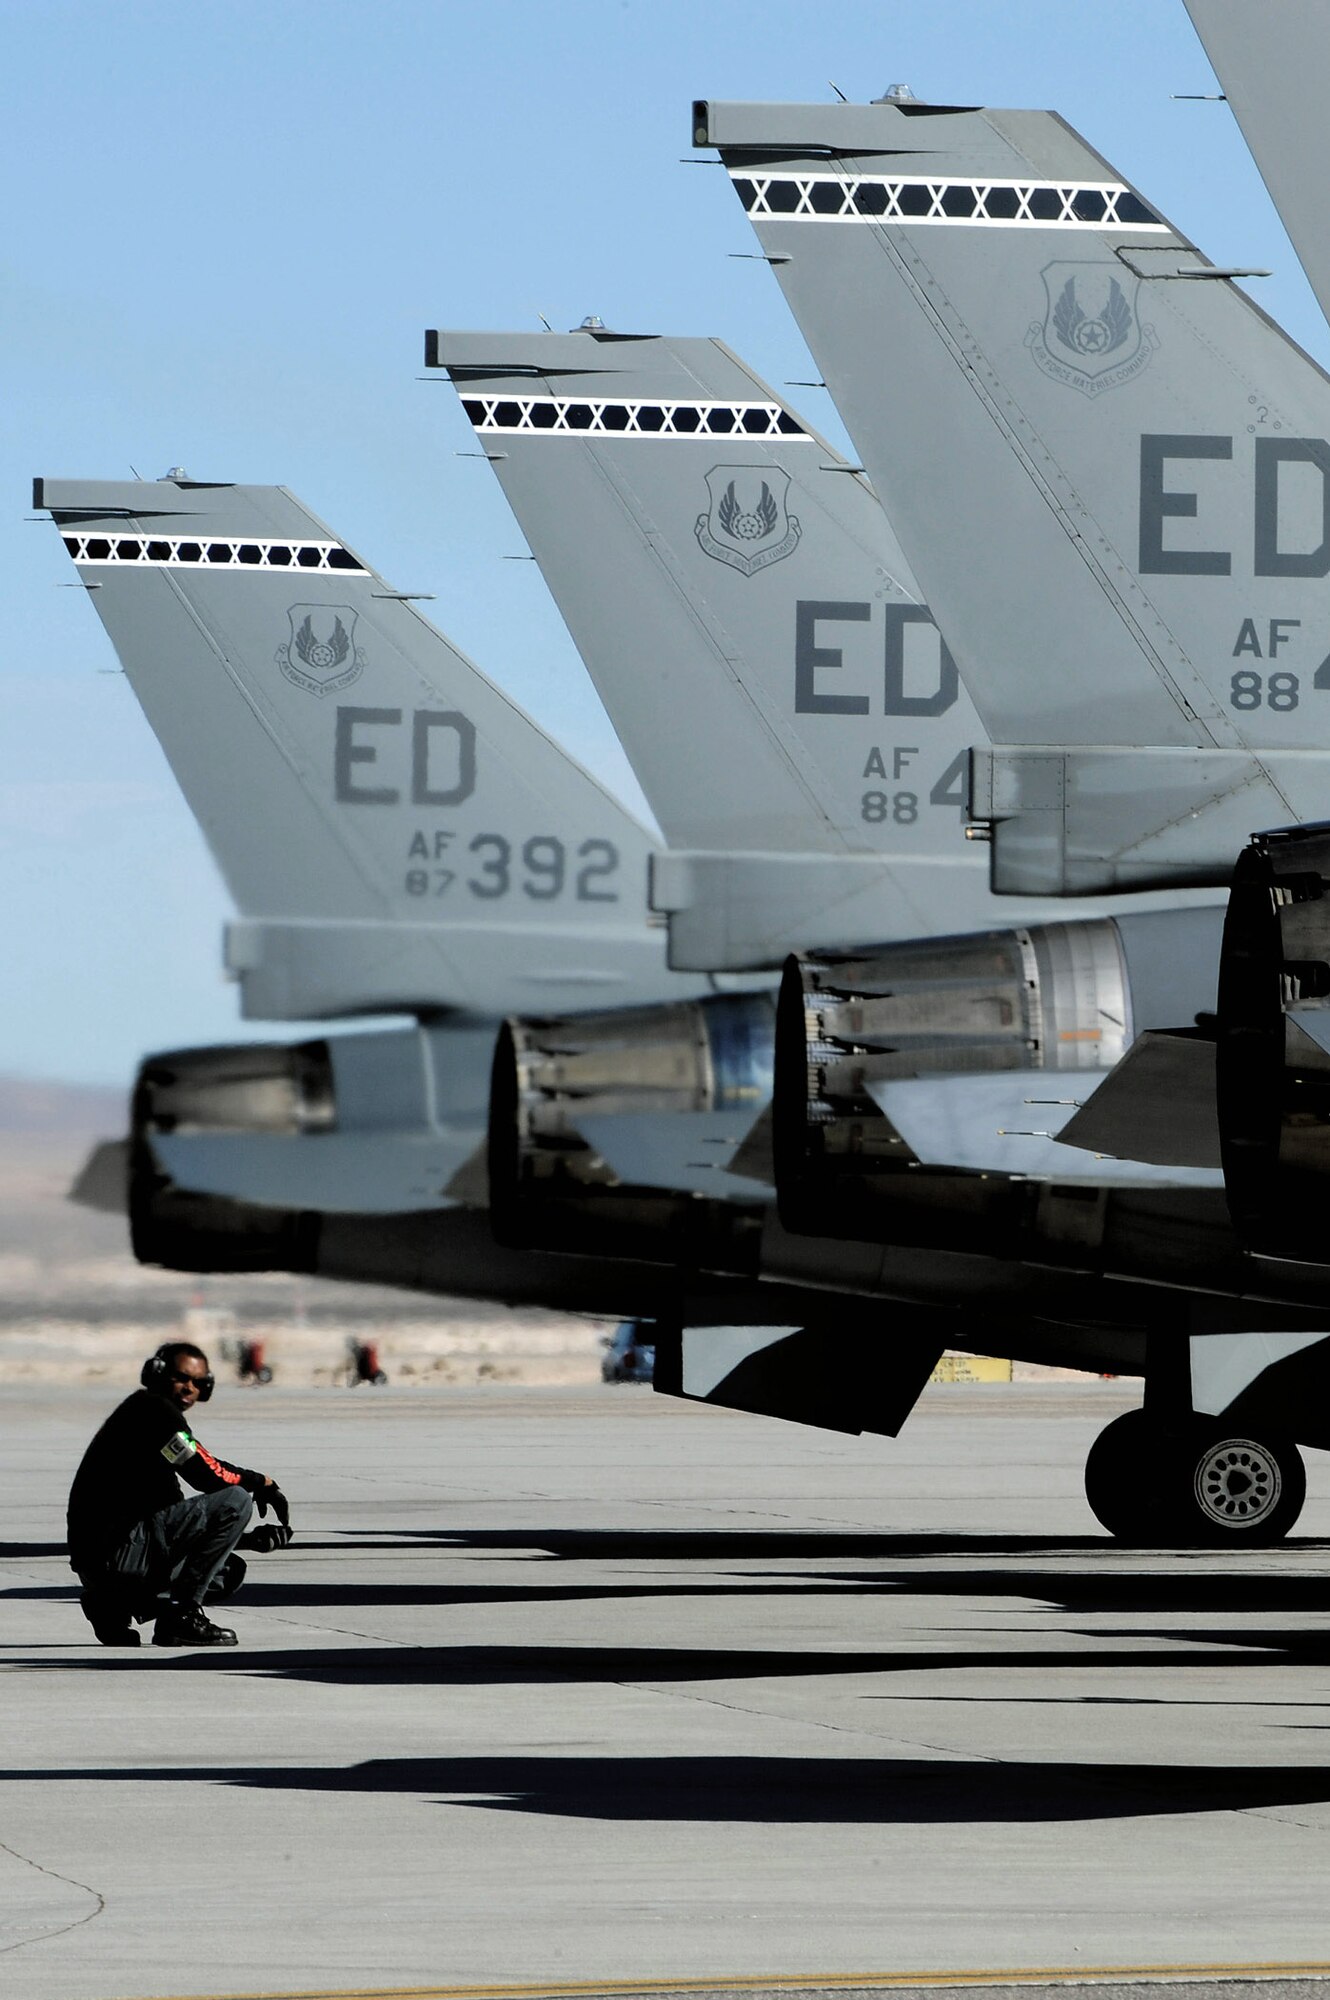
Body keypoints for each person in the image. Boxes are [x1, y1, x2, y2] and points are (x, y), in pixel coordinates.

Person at [66, 1341, 290, 1648]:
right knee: (235, 1500)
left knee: (227, 1572)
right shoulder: (156, 1413)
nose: (189, 1388)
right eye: (181, 1378)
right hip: (119, 1553)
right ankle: (181, 1617)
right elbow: (207, 1474)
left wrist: (248, 1540)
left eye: (198, 1382)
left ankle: (112, 1605)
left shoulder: (141, 1413)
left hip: (101, 1562)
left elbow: (173, 1530)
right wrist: (261, 1482)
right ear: (157, 1374)